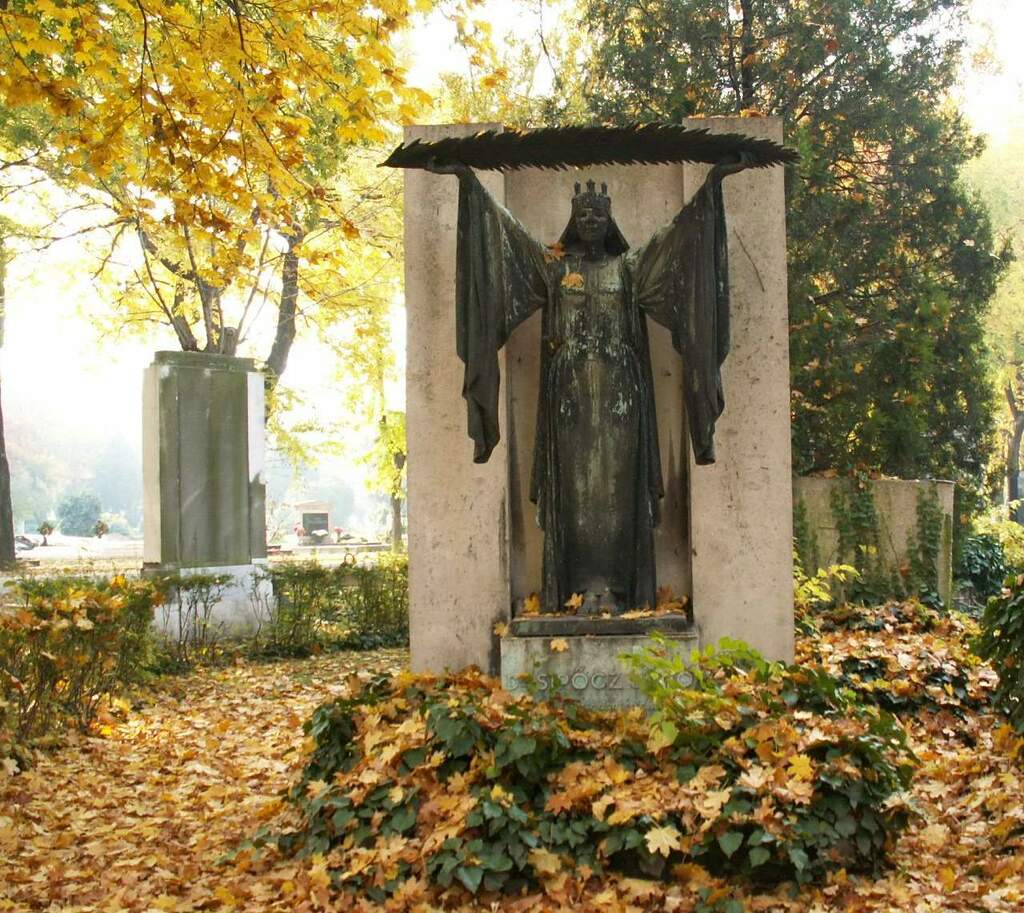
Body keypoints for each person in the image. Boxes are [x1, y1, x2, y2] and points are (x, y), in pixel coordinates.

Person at [427, 155, 749, 614]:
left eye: (598, 214)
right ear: (573, 223)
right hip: (569, 399)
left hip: (623, 398)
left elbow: (679, 240)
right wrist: (467, 181)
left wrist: (713, 182)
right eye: (584, 215)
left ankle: (618, 587)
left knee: (618, 491)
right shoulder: (554, 268)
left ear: (609, 220)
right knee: (574, 494)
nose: (592, 221)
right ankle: (576, 587)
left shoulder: (630, 269)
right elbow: (504, 238)